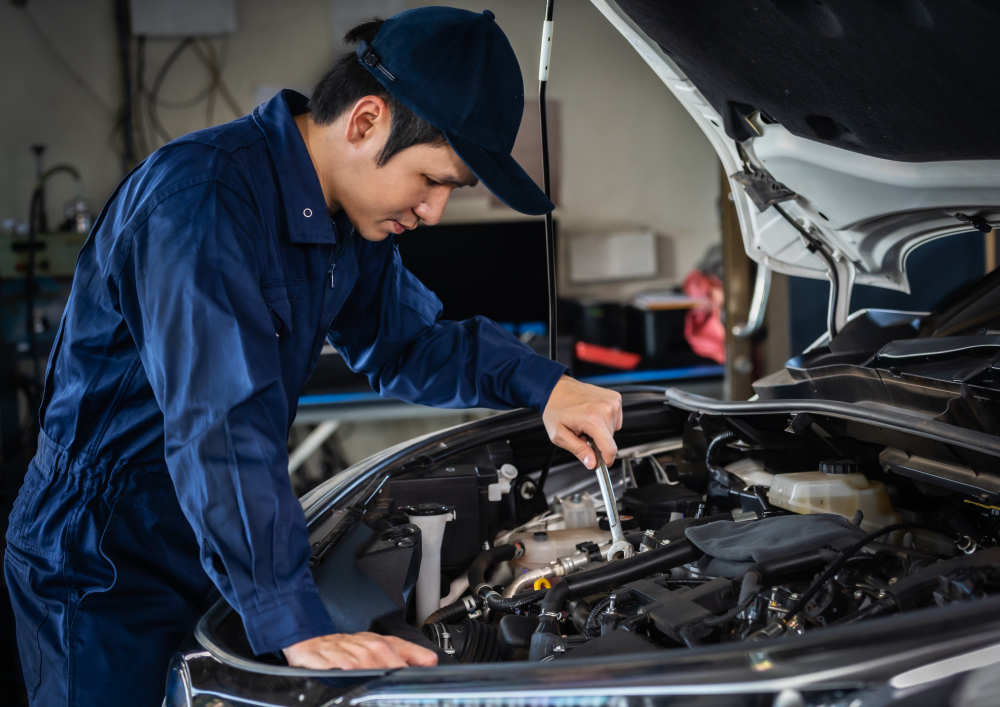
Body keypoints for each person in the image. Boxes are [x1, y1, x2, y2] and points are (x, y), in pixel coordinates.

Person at [4, 7, 622, 706]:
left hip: (211, 532)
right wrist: (289, 616)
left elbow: (411, 341)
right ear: (364, 122)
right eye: (432, 179)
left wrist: (545, 385)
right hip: (103, 557)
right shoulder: (201, 203)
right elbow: (221, 421)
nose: (434, 212)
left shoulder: (346, 222)